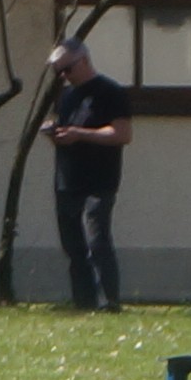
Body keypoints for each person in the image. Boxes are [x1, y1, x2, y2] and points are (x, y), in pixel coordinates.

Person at [43, 39, 133, 311]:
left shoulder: (111, 92)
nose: (63, 76)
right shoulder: (68, 96)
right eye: (58, 72)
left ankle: (108, 302)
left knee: (97, 241)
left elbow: (122, 134)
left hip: (99, 181)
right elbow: (69, 133)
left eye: (67, 69)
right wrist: (56, 134)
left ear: (83, 60)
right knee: (73, 245)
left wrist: (79, 134)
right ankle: (83, 302)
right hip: (68, 179)